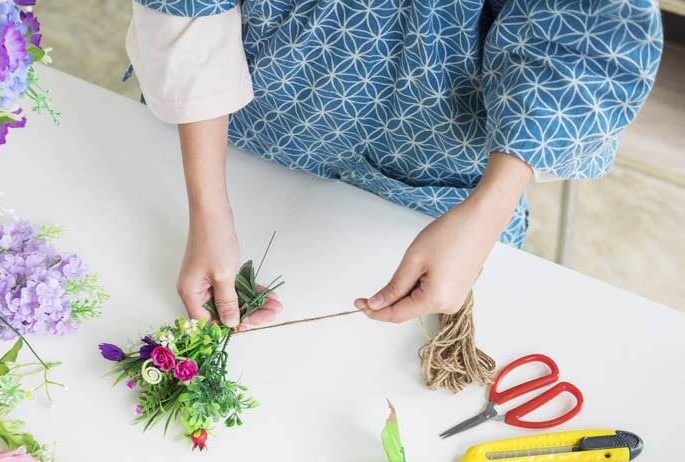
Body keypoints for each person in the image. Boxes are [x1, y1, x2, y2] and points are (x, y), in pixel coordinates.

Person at [125, 0, 663, 328]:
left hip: (442, 181)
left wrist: (484, 217)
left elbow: (579, 40)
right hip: (244, 121)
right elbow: (190, 4)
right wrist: (209, 209)